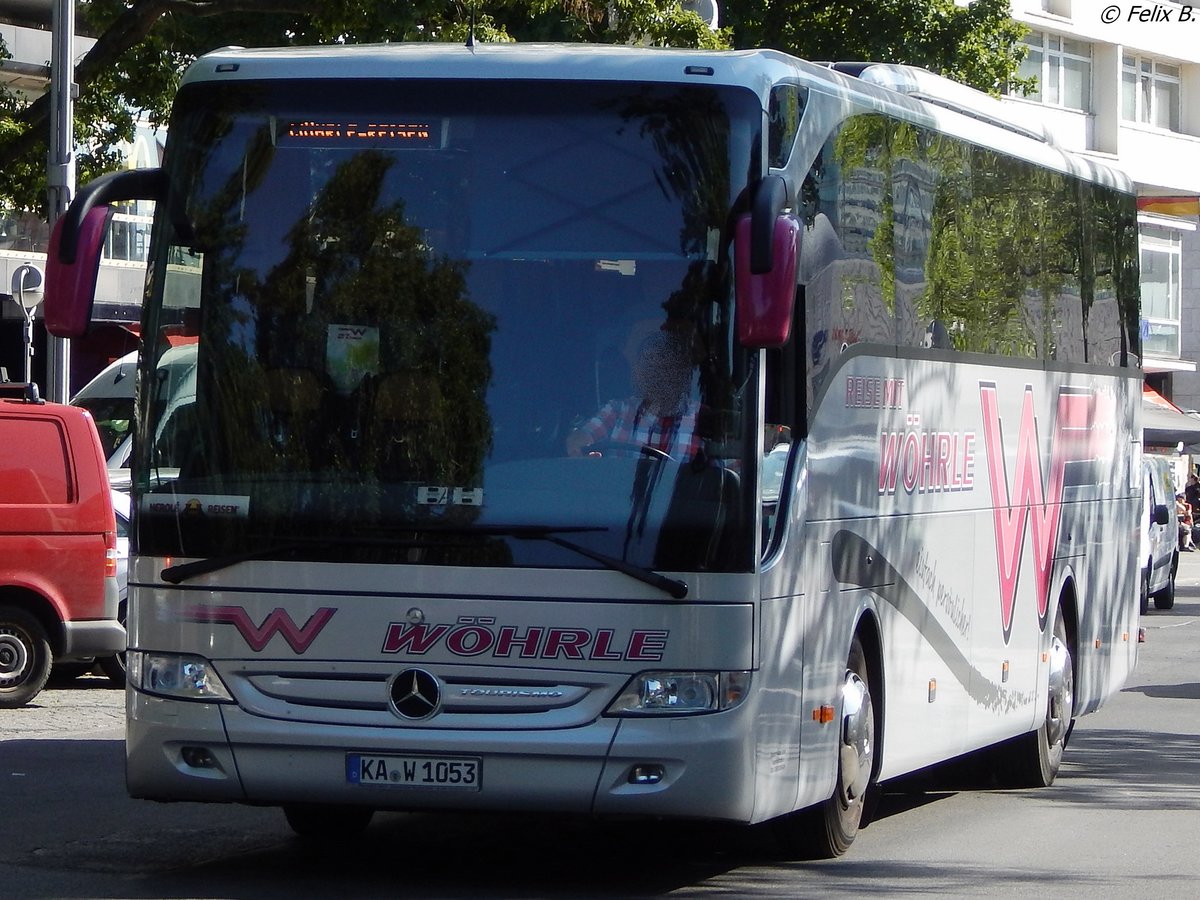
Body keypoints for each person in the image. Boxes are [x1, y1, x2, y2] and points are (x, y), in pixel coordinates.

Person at [566, 330, 701, 461]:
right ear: (638, 372)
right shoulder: (616, 410)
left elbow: (717, 476)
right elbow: (584, 436)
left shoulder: (703, 419)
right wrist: (577, 442)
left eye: (665, 365)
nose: (657, 373)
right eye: (649, 364)